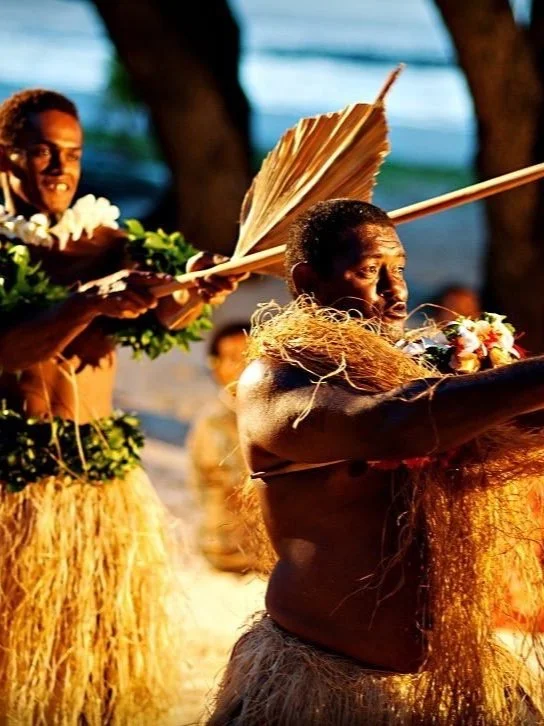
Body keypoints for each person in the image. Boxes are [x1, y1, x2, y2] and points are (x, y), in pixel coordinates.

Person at [209, 199, 544, 725]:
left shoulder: (407, 369)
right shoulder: (275, 379)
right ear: (305, 281)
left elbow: (504, 427)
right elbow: (389, 427)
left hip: (441, 686)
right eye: (370, 272)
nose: (397, 293)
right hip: (322, 686)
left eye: (401, 271)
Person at [0, 88, 244, 724]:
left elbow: (163, 310)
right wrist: (85, 303)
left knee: (94, 652)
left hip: (99, 484)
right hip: (11, 483)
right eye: (42, 152)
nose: (59, 168)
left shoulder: (104, 237)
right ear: (7, 156)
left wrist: (201, 287)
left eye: (72, 155)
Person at [187, 321, 257, 573]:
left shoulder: (287, 415)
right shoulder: (211, 423)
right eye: (232, 358)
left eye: (252, 356)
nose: (243, 366)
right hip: (228, 554)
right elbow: (202, 487)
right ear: (216, 368)